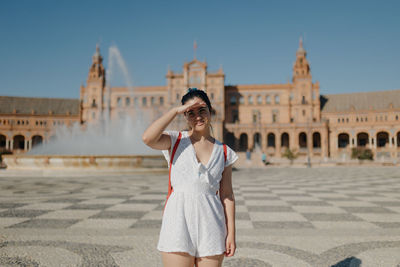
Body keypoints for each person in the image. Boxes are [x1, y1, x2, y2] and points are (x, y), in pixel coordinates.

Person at [142, 88, 238, 267]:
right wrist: (174, 111)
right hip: (178, 222)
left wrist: (231, 233)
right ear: (185, 116)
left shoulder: (224, 152)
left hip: (211, 224)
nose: (198, 116)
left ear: (210, 111)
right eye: (190, 112)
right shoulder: (175, 141)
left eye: (202, 110)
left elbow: (227, 195)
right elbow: (148, 138)